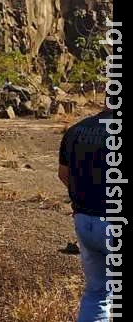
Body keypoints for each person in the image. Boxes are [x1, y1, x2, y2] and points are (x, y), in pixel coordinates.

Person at [58, 104, 116, 322]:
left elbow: (63, 174)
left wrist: (84, 198)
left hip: (84, 221)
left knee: (97, 293)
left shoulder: (76, 130)